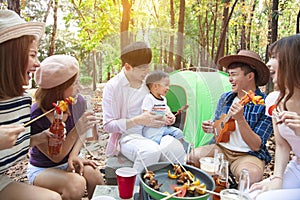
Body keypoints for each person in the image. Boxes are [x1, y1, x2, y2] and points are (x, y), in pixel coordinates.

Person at [0, 10, 62, 199]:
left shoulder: (21, 101)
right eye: (32, 55)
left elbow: (10, 145)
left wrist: (39, 138)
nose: (38, 64)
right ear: (10, 56)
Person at [190, 50, 273, 185]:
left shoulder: (265, 104)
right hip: (221, 149)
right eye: (229, 75)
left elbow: (256, 145)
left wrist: (240, 119)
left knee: (250, 175)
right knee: (193, 156)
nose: (229, 79)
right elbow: (219, 133)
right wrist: (212, 128)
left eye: (233, 75)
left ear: (250, 76)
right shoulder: (225, 98)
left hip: (247, 155)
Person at [27, 55, 104, 200]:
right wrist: (77, 129)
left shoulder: (77, 101)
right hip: (44, 168)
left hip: (70, 158)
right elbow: (56, 157)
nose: (79, 87)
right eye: (75, 84)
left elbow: (85, 135)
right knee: (76, 184)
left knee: (95, 176)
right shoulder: (36, 115)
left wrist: (74, 155)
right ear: (58, 88)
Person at [102, 41, 186, 175]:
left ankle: (175, 188)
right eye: (143, 68)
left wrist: (167, 115)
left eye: (148, 67)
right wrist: (137, 120)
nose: (148, 71)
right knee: (150, 151)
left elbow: (160, 103)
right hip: (130, 136)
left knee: (175, 148)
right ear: (128, 67)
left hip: (155, 132)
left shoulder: (149, 82)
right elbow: (108, 125)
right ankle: (136, 191)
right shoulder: (113, 87)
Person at [250, 34, 300, 199]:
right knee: (251, 193)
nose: (268, 64)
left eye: (274, 58)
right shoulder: (273, 100)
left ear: (293, 63)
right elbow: (281, 145)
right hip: (297, 167)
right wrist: (276, 178)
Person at [142, 70, 184, 144]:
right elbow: (146, 116)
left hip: (163, 128)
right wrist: (162, 119)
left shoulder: (163, 99)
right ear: (155, 86)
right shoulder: (149, 98)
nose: (168, 88)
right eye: (166, 85)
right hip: (152, 130)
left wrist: (171, 116)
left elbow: (166, 109)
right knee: (156, 143)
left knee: (179, 133)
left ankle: (180, 152)